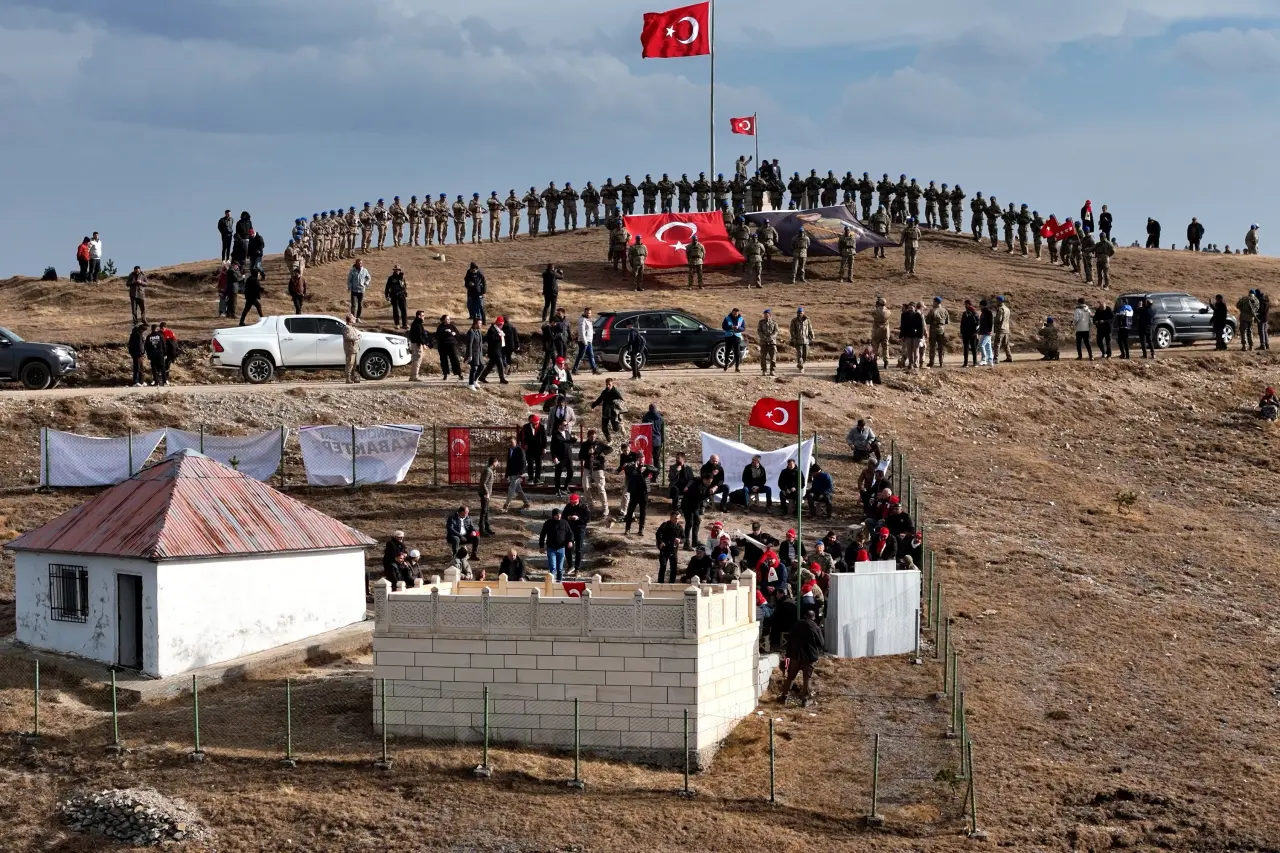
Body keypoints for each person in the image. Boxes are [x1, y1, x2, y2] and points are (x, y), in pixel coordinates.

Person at [621, 452, 657, 535]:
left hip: (644, 492)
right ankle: (627, 529)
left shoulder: (646, 467)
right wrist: (635, 467)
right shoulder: (632, 467)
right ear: (637, 459)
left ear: (644, 459)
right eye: (639, 459)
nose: (641, 460)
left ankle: (641, 529)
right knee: (630, 510)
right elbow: (626, 469)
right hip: (634, 492)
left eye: (642, 458)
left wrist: (646, 468)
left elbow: (656, 470)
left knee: (643, 511)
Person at [539, 508, 574, 581]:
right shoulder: (548, 523)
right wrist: (541, 546)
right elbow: (542, 535)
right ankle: (552, 583)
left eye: (560, 515)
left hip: (561, 548)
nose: (559, 516)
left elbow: (570, 533)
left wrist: (570, 541)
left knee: (560, 568)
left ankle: (559, 583)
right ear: (553, 515)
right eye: (557, 515)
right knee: (553, 567)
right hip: (551, 549)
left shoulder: (564, 522)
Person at [654, 511, 684, 583]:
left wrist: (680, 540)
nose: (676, 520)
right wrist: (660, 542)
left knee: (673, 567)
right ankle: (660, 583)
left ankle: (672, 583)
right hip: (664, 549)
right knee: (663, 566)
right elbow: (658, 534)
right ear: (671, 517)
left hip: (673, 550)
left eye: (677, 518)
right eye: (675, 518)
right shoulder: (665, 525)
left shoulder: (679, 527)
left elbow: (684, 538)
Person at [477, 318, 509, 384]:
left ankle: (482, 377)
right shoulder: (492, 330)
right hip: (494, 351)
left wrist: (501, 335)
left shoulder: (498, 330)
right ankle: (502, 379)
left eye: (502, 324)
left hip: (498, 350)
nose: (501, 326)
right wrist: (499, 336)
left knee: (490, 365)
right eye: (500, 324)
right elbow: (491, 339)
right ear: (496, 323)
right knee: (500, 365)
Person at [435, 314, 464, 381]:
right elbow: (438, 335)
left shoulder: (452, 326)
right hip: (442, 345)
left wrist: (454, 333)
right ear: (443, 320)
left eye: (449, 319)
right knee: (443, 360)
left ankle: (459, 373)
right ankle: (445, 374)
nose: (449, 320)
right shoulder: (440, 327)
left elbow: (457, 334)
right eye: (447, 319)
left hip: (451, 344)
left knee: (454, 359)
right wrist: (444, 331)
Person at [504, 436, 529, 512]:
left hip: (517, 473)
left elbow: (523, 461)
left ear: (515, 442)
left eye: (511, 442)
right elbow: (509, 463)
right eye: (509, 442)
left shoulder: (520, 450)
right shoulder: (510, 450)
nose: (510, 443)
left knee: (511, 489)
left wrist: (521, 472)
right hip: (512, 473)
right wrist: (507, 474)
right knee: (518, 490)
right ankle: (526, 503)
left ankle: (506, 505)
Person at [573, 307, 600, 375]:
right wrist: (584, 341)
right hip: (584, 341)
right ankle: (574, 369)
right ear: (584, 312)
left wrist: (593, 333)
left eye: (589, 313)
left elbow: (588, 330)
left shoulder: (588, 320)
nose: (588, 314)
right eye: (587, 313)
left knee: (591, 355)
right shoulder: (582, 320)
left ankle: (594, 369)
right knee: (581, 356)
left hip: (588, 341)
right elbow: (581, 331)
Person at [790, 307, 814, 373]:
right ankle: (801, 367)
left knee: (805, 355)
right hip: (798, 340)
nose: (799, 314)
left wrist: (812, 336)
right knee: (799, 354)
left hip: (806, 340)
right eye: (798, 313)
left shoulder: (807, 320)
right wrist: (793, 338)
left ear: (803, 313)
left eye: (801, 313)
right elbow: (792, 330)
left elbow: (810, 329)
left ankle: (800, 364)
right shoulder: (794, 320)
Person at [384, 265, 408, 329]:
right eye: (395, 269)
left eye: (398, 269)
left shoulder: (402, 277)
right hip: (394, 296)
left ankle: (404, 324)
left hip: (402, 295)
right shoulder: (391, 278)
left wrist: (405, 293)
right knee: (395, 310)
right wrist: (387, 295)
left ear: (400, 270)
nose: (397, 271)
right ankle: (397, 324)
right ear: (394, 270)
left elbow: (404, 286)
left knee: (404, 310)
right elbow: (387, 287)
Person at [722, 307, 745, 372]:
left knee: (737, 352)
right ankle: (726, 364)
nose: (735, 314)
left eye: (736, 313)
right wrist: (730, 327)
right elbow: (723, 327)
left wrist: (738, 328)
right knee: (727, 351)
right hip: (729, 336)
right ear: (732, 312)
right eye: (734, 313)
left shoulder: (741, 319)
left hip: (737, 336)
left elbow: (743, 328)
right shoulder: (727, 318)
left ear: (738, 313)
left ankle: (737, 367)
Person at [464, 318, 484, 390]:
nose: (480, 325)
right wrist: (470, 355)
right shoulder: (471, 332)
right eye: (479, 323)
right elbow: (470, 344)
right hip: (473, 353)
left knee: (481, 366)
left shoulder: (478, 331)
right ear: (475, 324)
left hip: (479, 353)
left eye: (481, 323)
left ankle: (474, 380)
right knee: (474, 368)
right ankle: (470, 383)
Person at [960, 300, 979, 367]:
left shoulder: (966, 313)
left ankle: (966, 363)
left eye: (965, 304)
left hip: (967, 333)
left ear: (968, 304)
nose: (965, 305)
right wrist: (976, 332)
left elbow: (962, 324)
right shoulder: (975, 312)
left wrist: (962, 333)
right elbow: (978, 324)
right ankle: (974, 363)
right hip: (972, 333)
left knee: (967, 348)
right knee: (973, 348)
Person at [126, 322, 146, 387]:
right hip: (137, 354)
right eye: (143, 330)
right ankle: (136, 382)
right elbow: (138, 345)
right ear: (140, 329)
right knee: (137, 368)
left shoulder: (139, 334)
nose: (143, 332)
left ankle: (141, 381)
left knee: (141, 368)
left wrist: (143, 352)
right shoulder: (136, 335)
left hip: (140, 354)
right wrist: (140, 353)